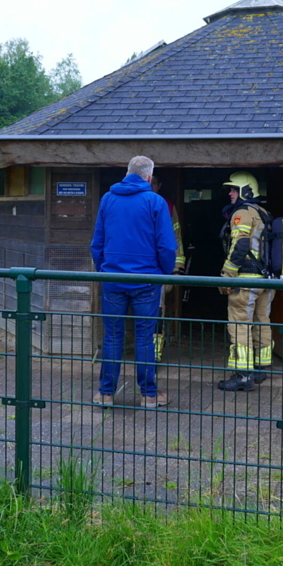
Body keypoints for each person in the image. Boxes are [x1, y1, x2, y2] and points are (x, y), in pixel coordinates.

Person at [90, 156, 177, 408]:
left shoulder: (108, 199)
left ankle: (105, 394)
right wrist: (162, 272)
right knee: (144, 338)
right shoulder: (155, 201)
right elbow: (167, 246)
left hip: (113, 279)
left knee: (112, 337)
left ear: (127, 172)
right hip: (146, 281)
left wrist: (105, 269)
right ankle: (149, 396)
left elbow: (97, 243)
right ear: (149, 177)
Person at [217, 171, 273, 392]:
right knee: (262, 321)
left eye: (234, 189)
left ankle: (243, 375)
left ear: (246, 191)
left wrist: (227, 275)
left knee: (240, 324)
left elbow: (240, 246)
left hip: (246, 280)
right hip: (266, 280)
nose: (230, 193)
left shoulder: (242, 213)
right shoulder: (263, 212)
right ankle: (260, 369)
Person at [150, 175, 185, 361]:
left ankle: (153, 355)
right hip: (135, 269)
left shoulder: (168, 206)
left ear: (160, 185)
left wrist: (177, 268)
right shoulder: (132, 204)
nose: (150, 186)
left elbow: (176, 238)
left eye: (154, 183)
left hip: (159, 269)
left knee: (157, 311)